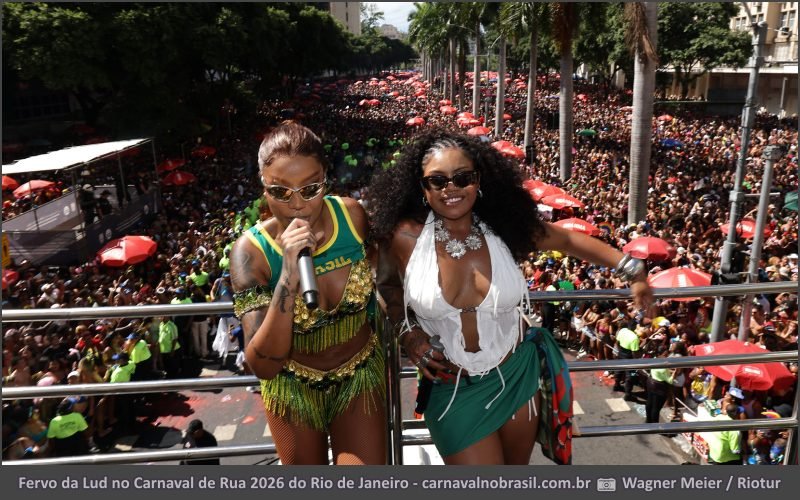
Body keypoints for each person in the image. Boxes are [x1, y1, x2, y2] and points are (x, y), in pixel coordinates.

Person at [367, 129, 653, 465]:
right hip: (452, 388)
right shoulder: (403, 236)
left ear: (480, 180)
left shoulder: (505, 227)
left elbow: (570, 241)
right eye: (438, 181)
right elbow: (386, 287)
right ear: (422, 186)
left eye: (463, 178)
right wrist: (408, 334)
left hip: (517, 375)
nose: (452, 189)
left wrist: (633, 271)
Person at [229, 121, 386, 465]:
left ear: (326, 180)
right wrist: (287, 275)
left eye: (310, 188)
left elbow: (385, 272)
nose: (298, 204)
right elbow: (262, 366)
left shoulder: (353, 216)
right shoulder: (250, 252)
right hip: (292, 386)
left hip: (359, 374)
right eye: (281, 192)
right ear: (264, 189)